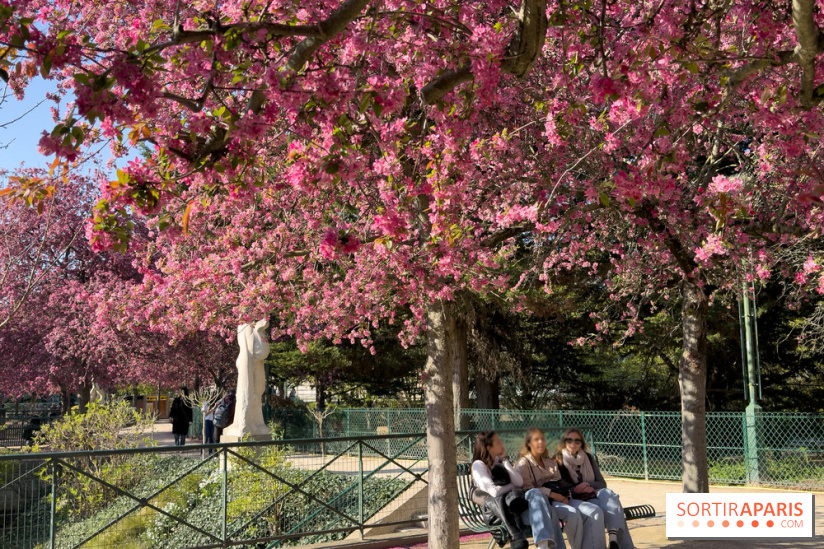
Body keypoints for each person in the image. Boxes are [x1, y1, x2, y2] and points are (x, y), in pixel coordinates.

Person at [516, 427, 606, 549]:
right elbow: (527, 490)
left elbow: (559, 482)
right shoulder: (523, 463)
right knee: (573, 514)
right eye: (536, 440)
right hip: (541, 504)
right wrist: (553, 494)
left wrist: (570, 492)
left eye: (542, 439)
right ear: (528, 443)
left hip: (561, 498)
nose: (541, 442)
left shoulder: (549, 462)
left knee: (586, 512)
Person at [472, 431, 560, 549]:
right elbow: (494, 491)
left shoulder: (497, 461)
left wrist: (505, 461)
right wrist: (512, 486)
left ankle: (544, 547)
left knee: (541, 499)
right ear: (489, 447)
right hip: (500, 514)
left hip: (514, 508)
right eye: (498, 442)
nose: (502, 443)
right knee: (546, 508)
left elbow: (519, 482)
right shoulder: (479, 465)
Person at [556, 428, 634, 549]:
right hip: (572, 498)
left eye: (577, 441)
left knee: (611, 500)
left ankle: (615, 540)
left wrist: (587, 485)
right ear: (563, 442)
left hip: (591, 495)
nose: (573, 444)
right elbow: (559, 486)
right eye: (569, 440)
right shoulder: (558, 460)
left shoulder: (588, 457)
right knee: (596, 511)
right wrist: (576, 488)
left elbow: (602, 483)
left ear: (581, 443)